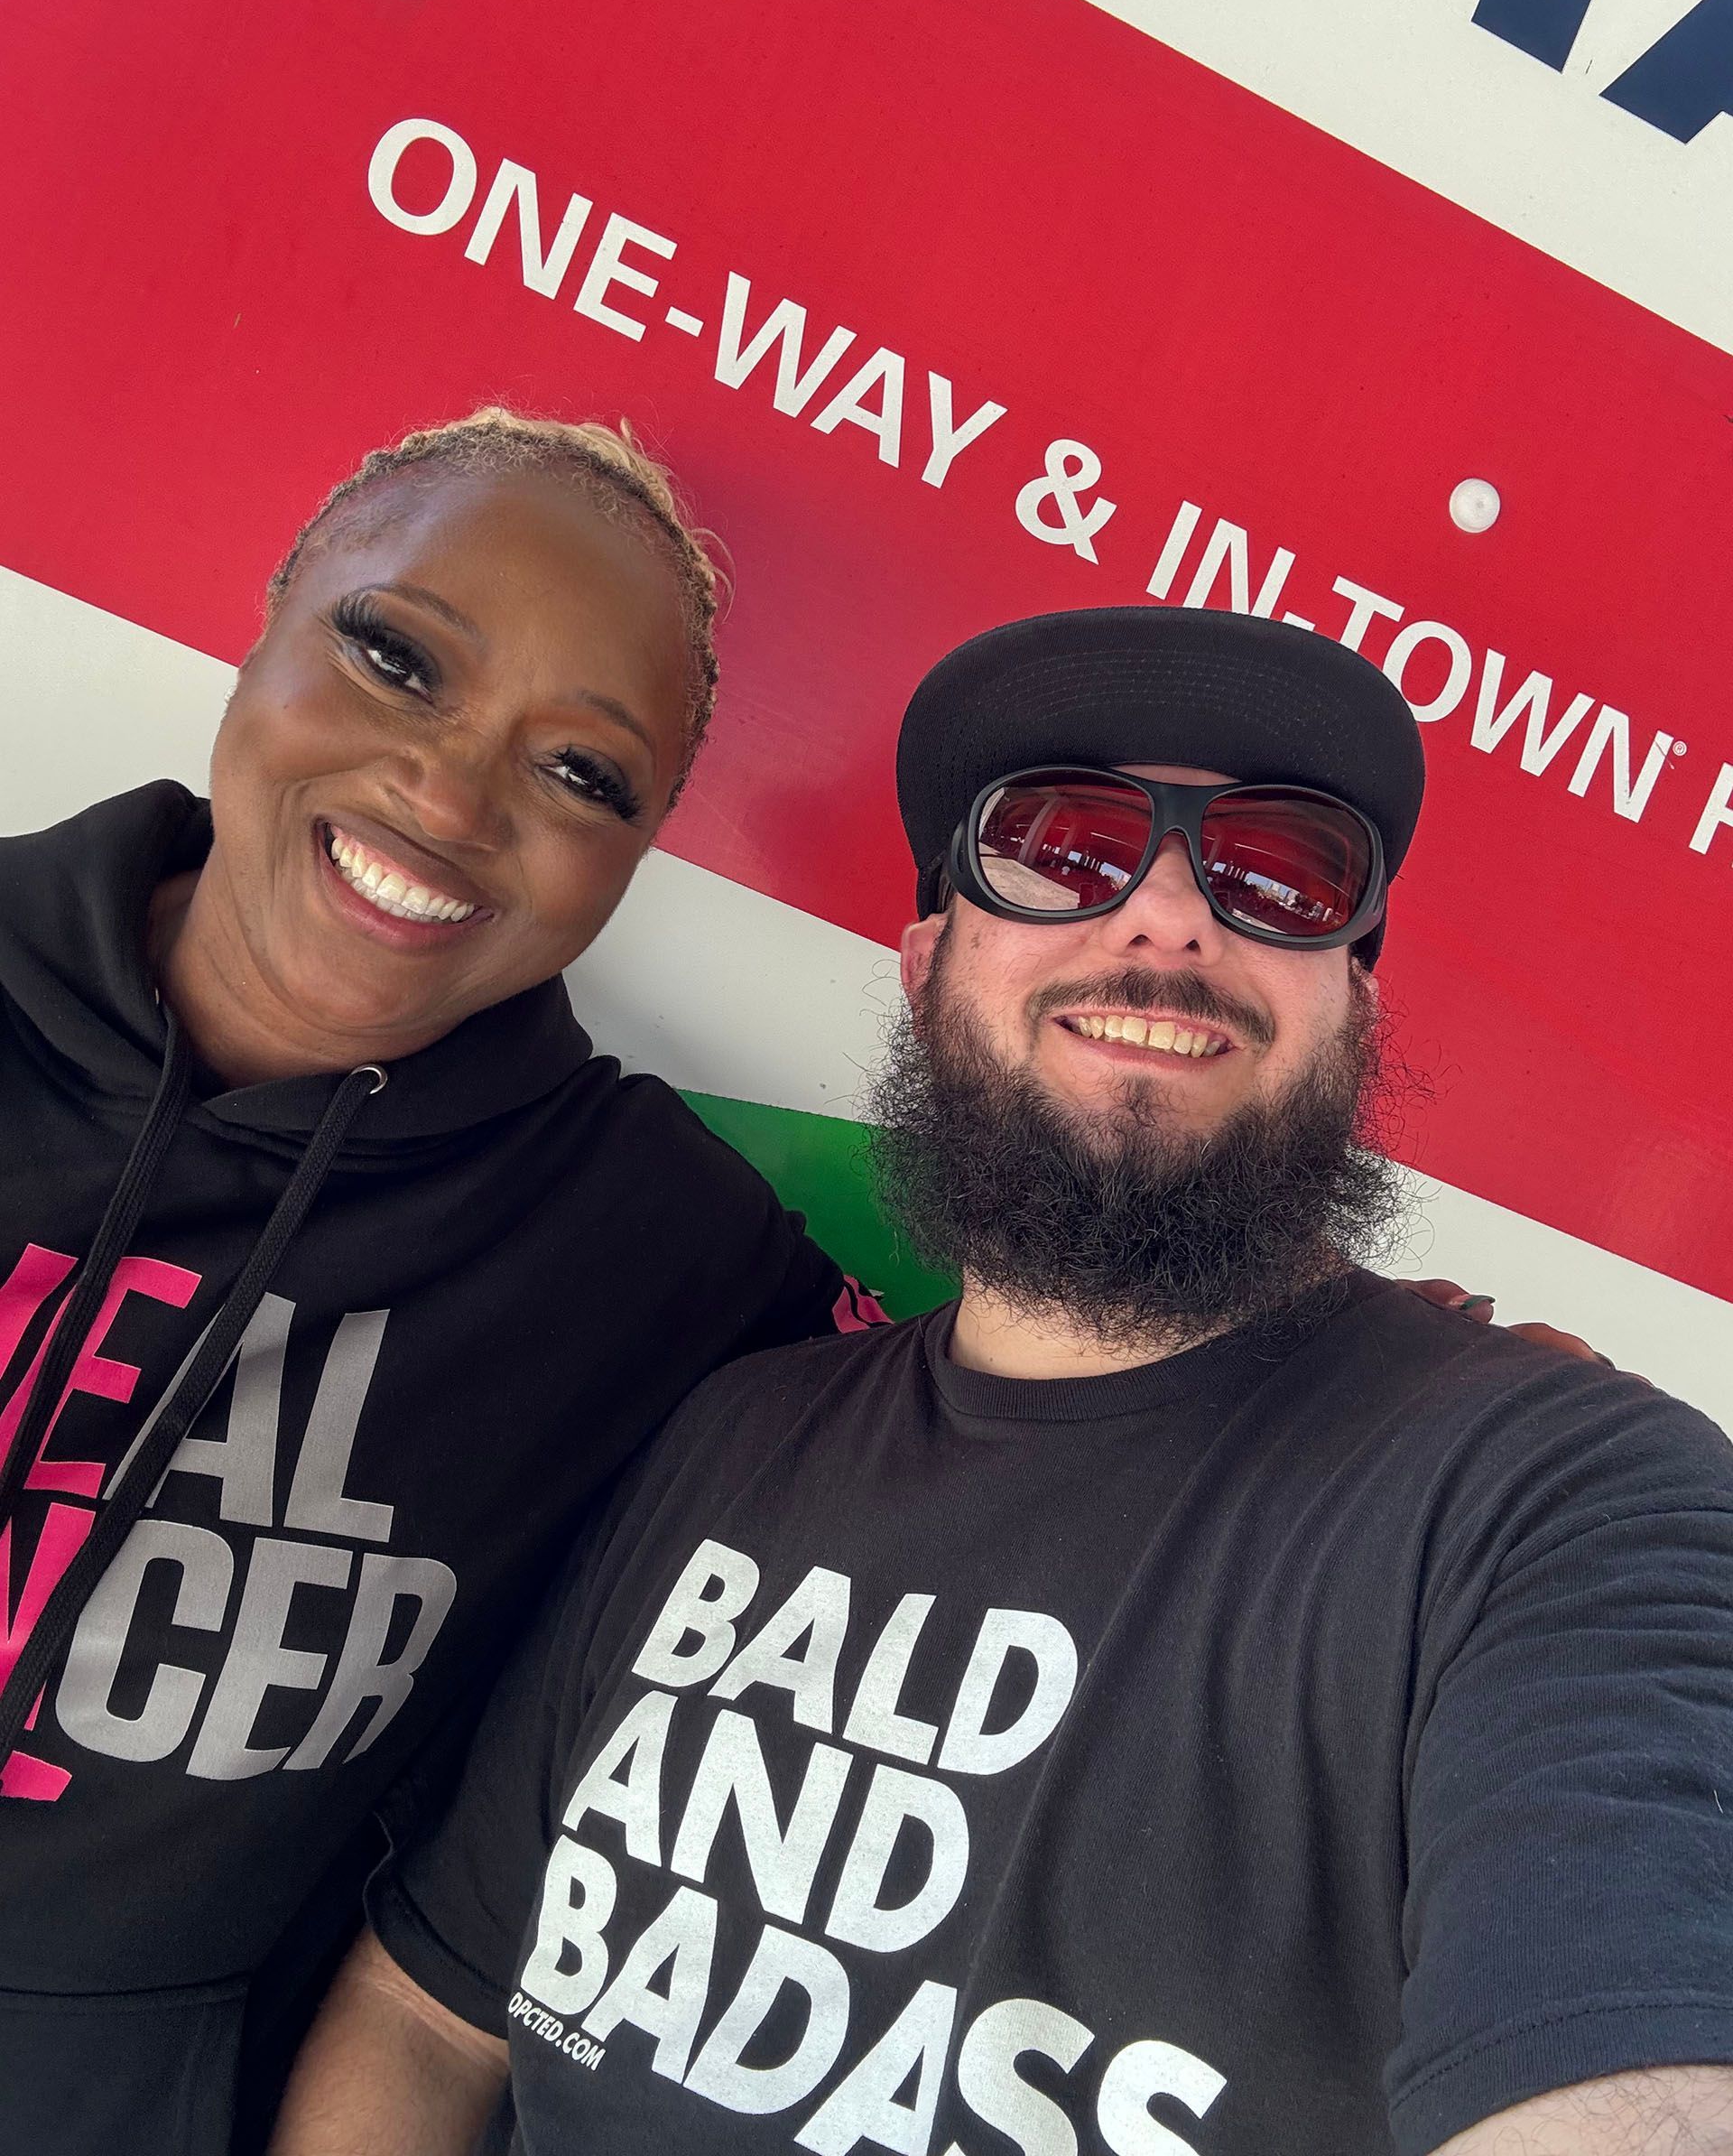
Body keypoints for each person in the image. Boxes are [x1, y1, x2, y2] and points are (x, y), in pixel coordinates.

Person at [273, 607, 1733, 2156]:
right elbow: (428, 2017)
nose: (1170, 919)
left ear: (1352, 1007)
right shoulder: (733, 1434)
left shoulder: (1567, 1509)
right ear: (926, 967)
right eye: (1061, 845)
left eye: (1278, 874)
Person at [0, 408, 863, 2156]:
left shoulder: (655, 1255)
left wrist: (1366, 1394)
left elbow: (1033, 1433)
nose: (449, 798)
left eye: (581, 773)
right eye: (396, 657)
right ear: (271, 610)